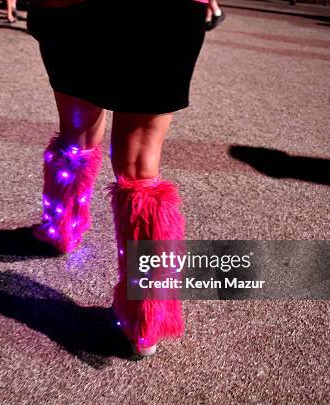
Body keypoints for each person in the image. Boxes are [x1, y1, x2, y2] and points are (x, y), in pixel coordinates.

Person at [27, 0, 208, 357]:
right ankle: (145, 318)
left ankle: (62, 227)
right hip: (165, 14)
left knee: (76, 130)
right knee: (140, 165)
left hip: (71, 9)